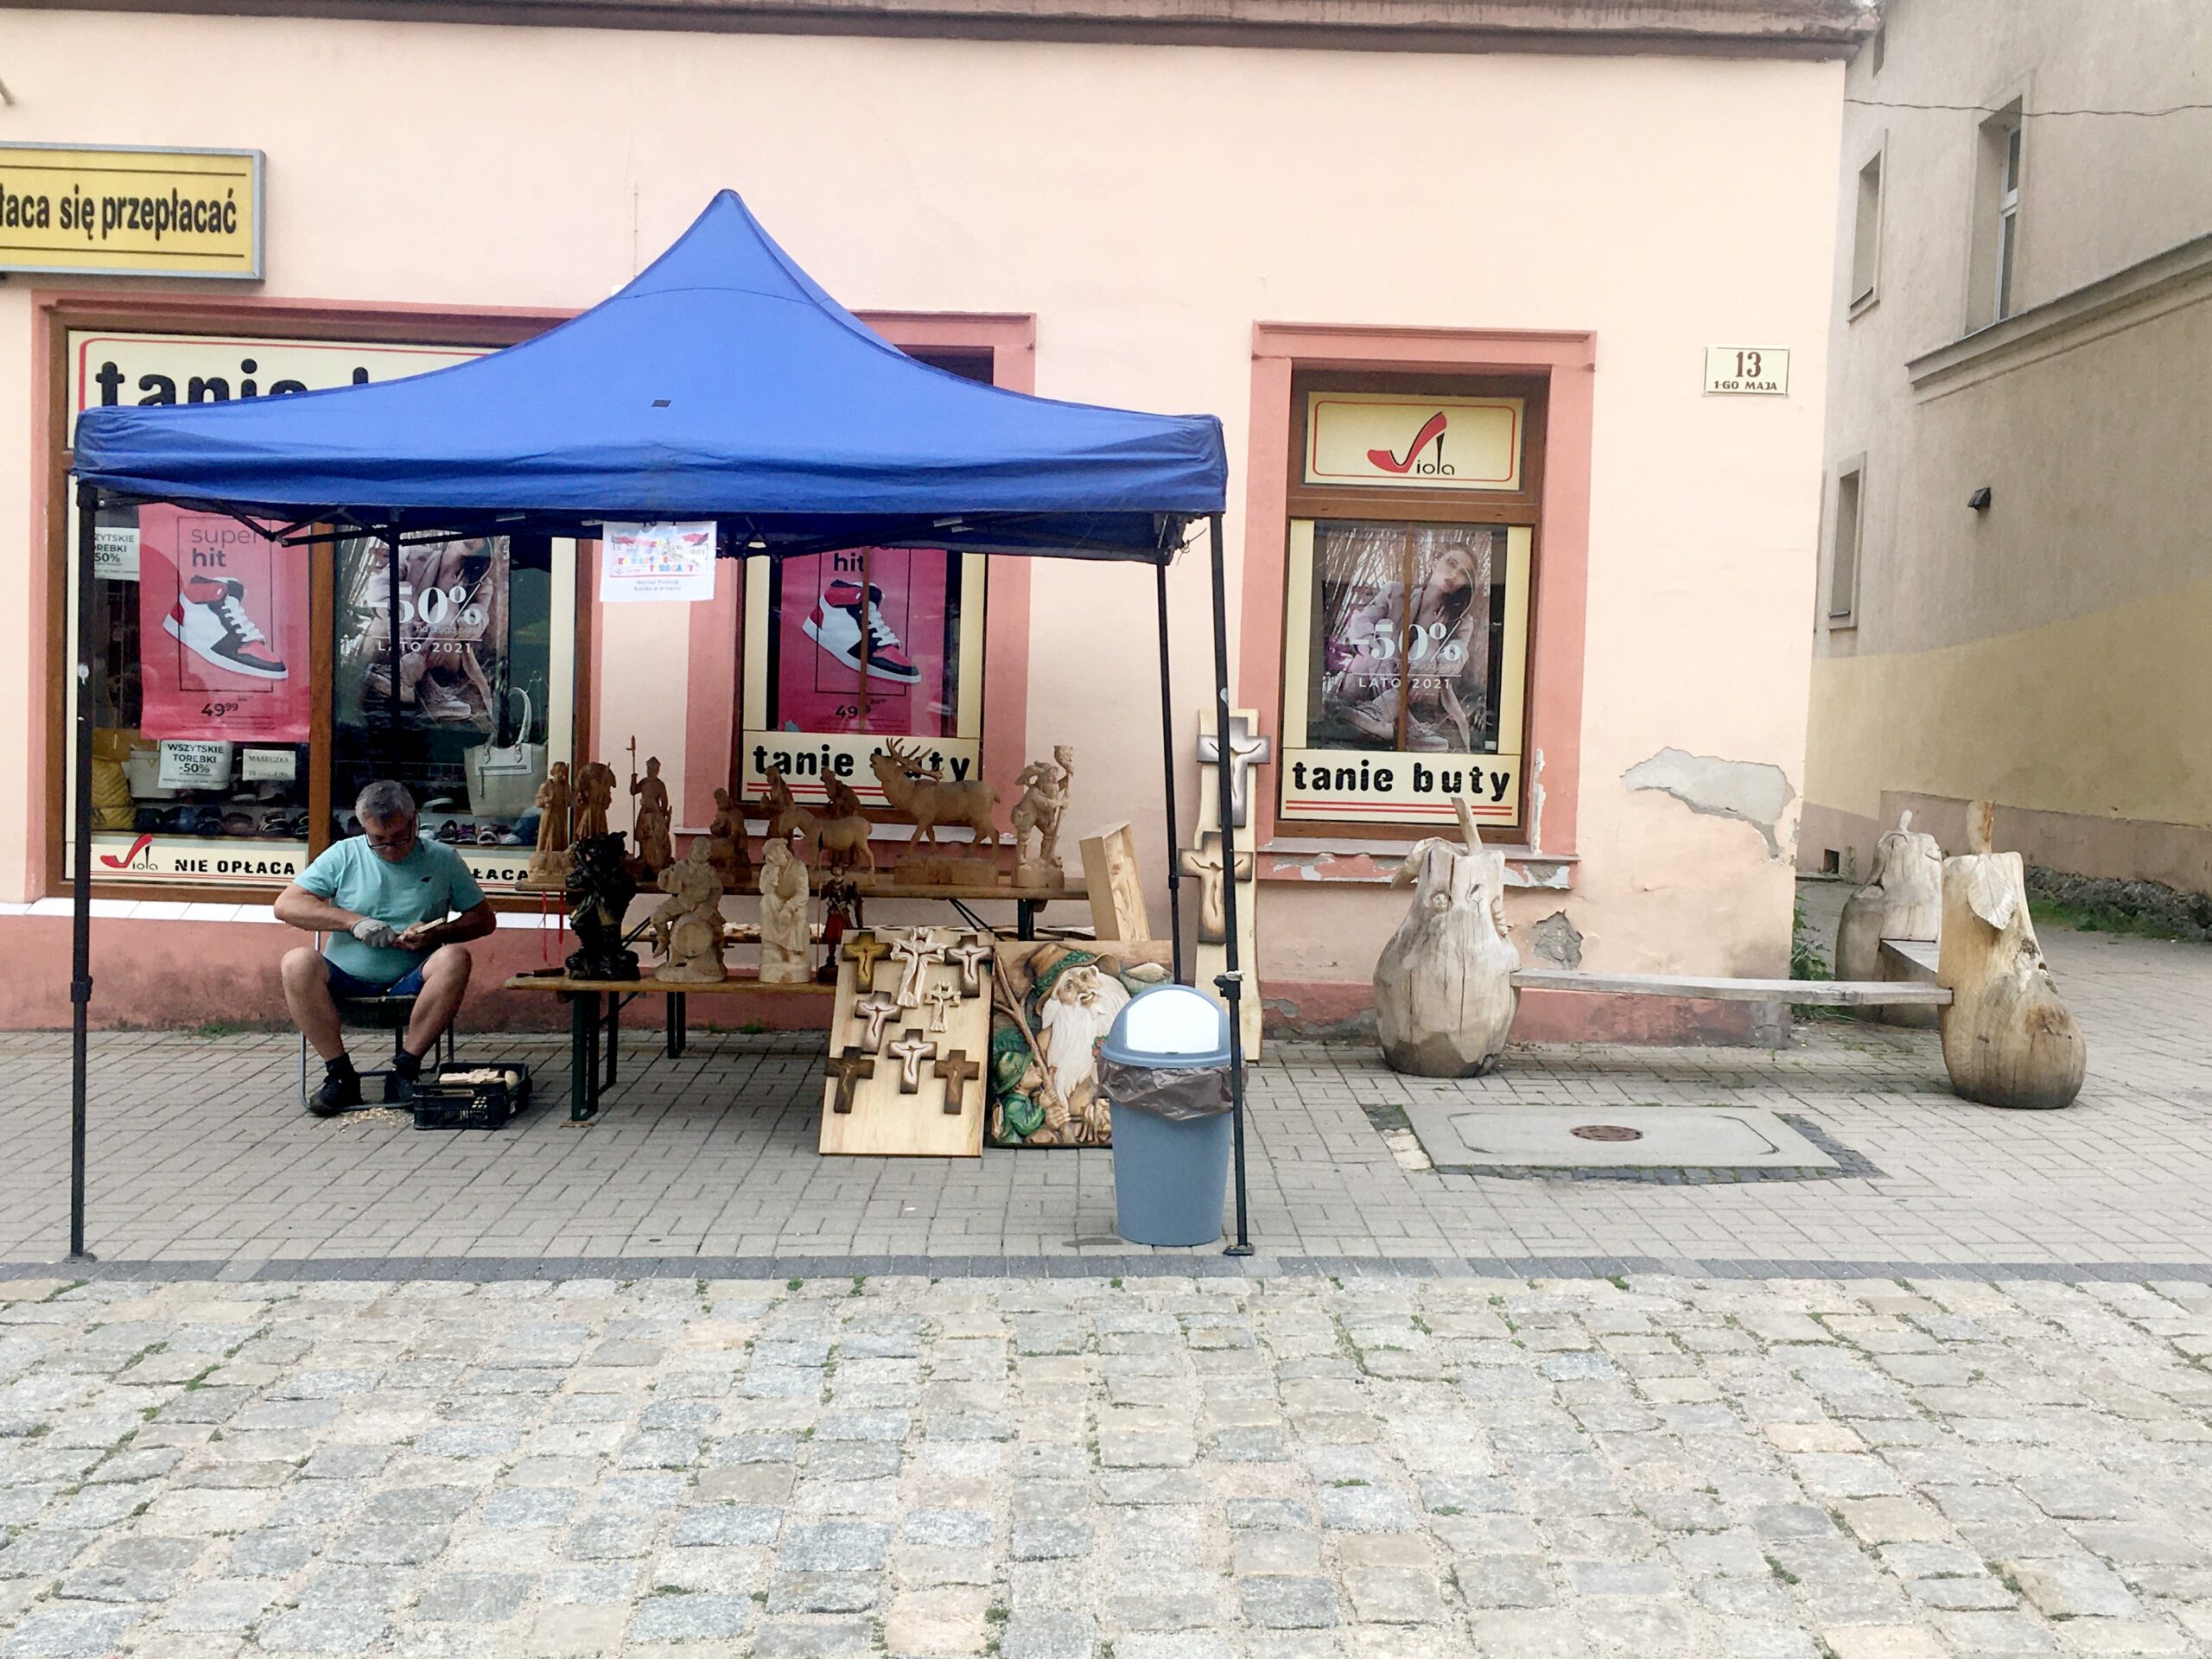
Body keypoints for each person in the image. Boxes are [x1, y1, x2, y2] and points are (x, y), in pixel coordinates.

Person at [275, 780, 497, 1116]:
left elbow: (484, 920)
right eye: (378, 840)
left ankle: (406, 1069)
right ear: (363, 826)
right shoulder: (344, 854)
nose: (390, 848)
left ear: (415, 821)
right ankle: (340, 1075)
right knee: (296, 961)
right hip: (344, 982)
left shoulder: (443, 859)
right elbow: (286, 905)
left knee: (455, 957)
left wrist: (437, 933)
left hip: (414, 981)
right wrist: (353, 922)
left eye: (399, 837)